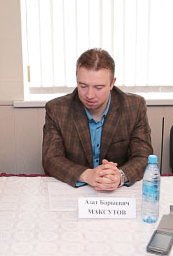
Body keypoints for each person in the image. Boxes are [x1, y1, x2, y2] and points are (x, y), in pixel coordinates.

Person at [42, 48, 153, 190]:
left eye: (98, 87)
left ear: (112, 83)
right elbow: (50, 159)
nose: (89, 95)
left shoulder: (134, 107)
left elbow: (144, 156)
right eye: (83, 86)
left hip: (118, 192)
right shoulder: (57, 109)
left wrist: (119, 176)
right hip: (76, 189)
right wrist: (86, 175)